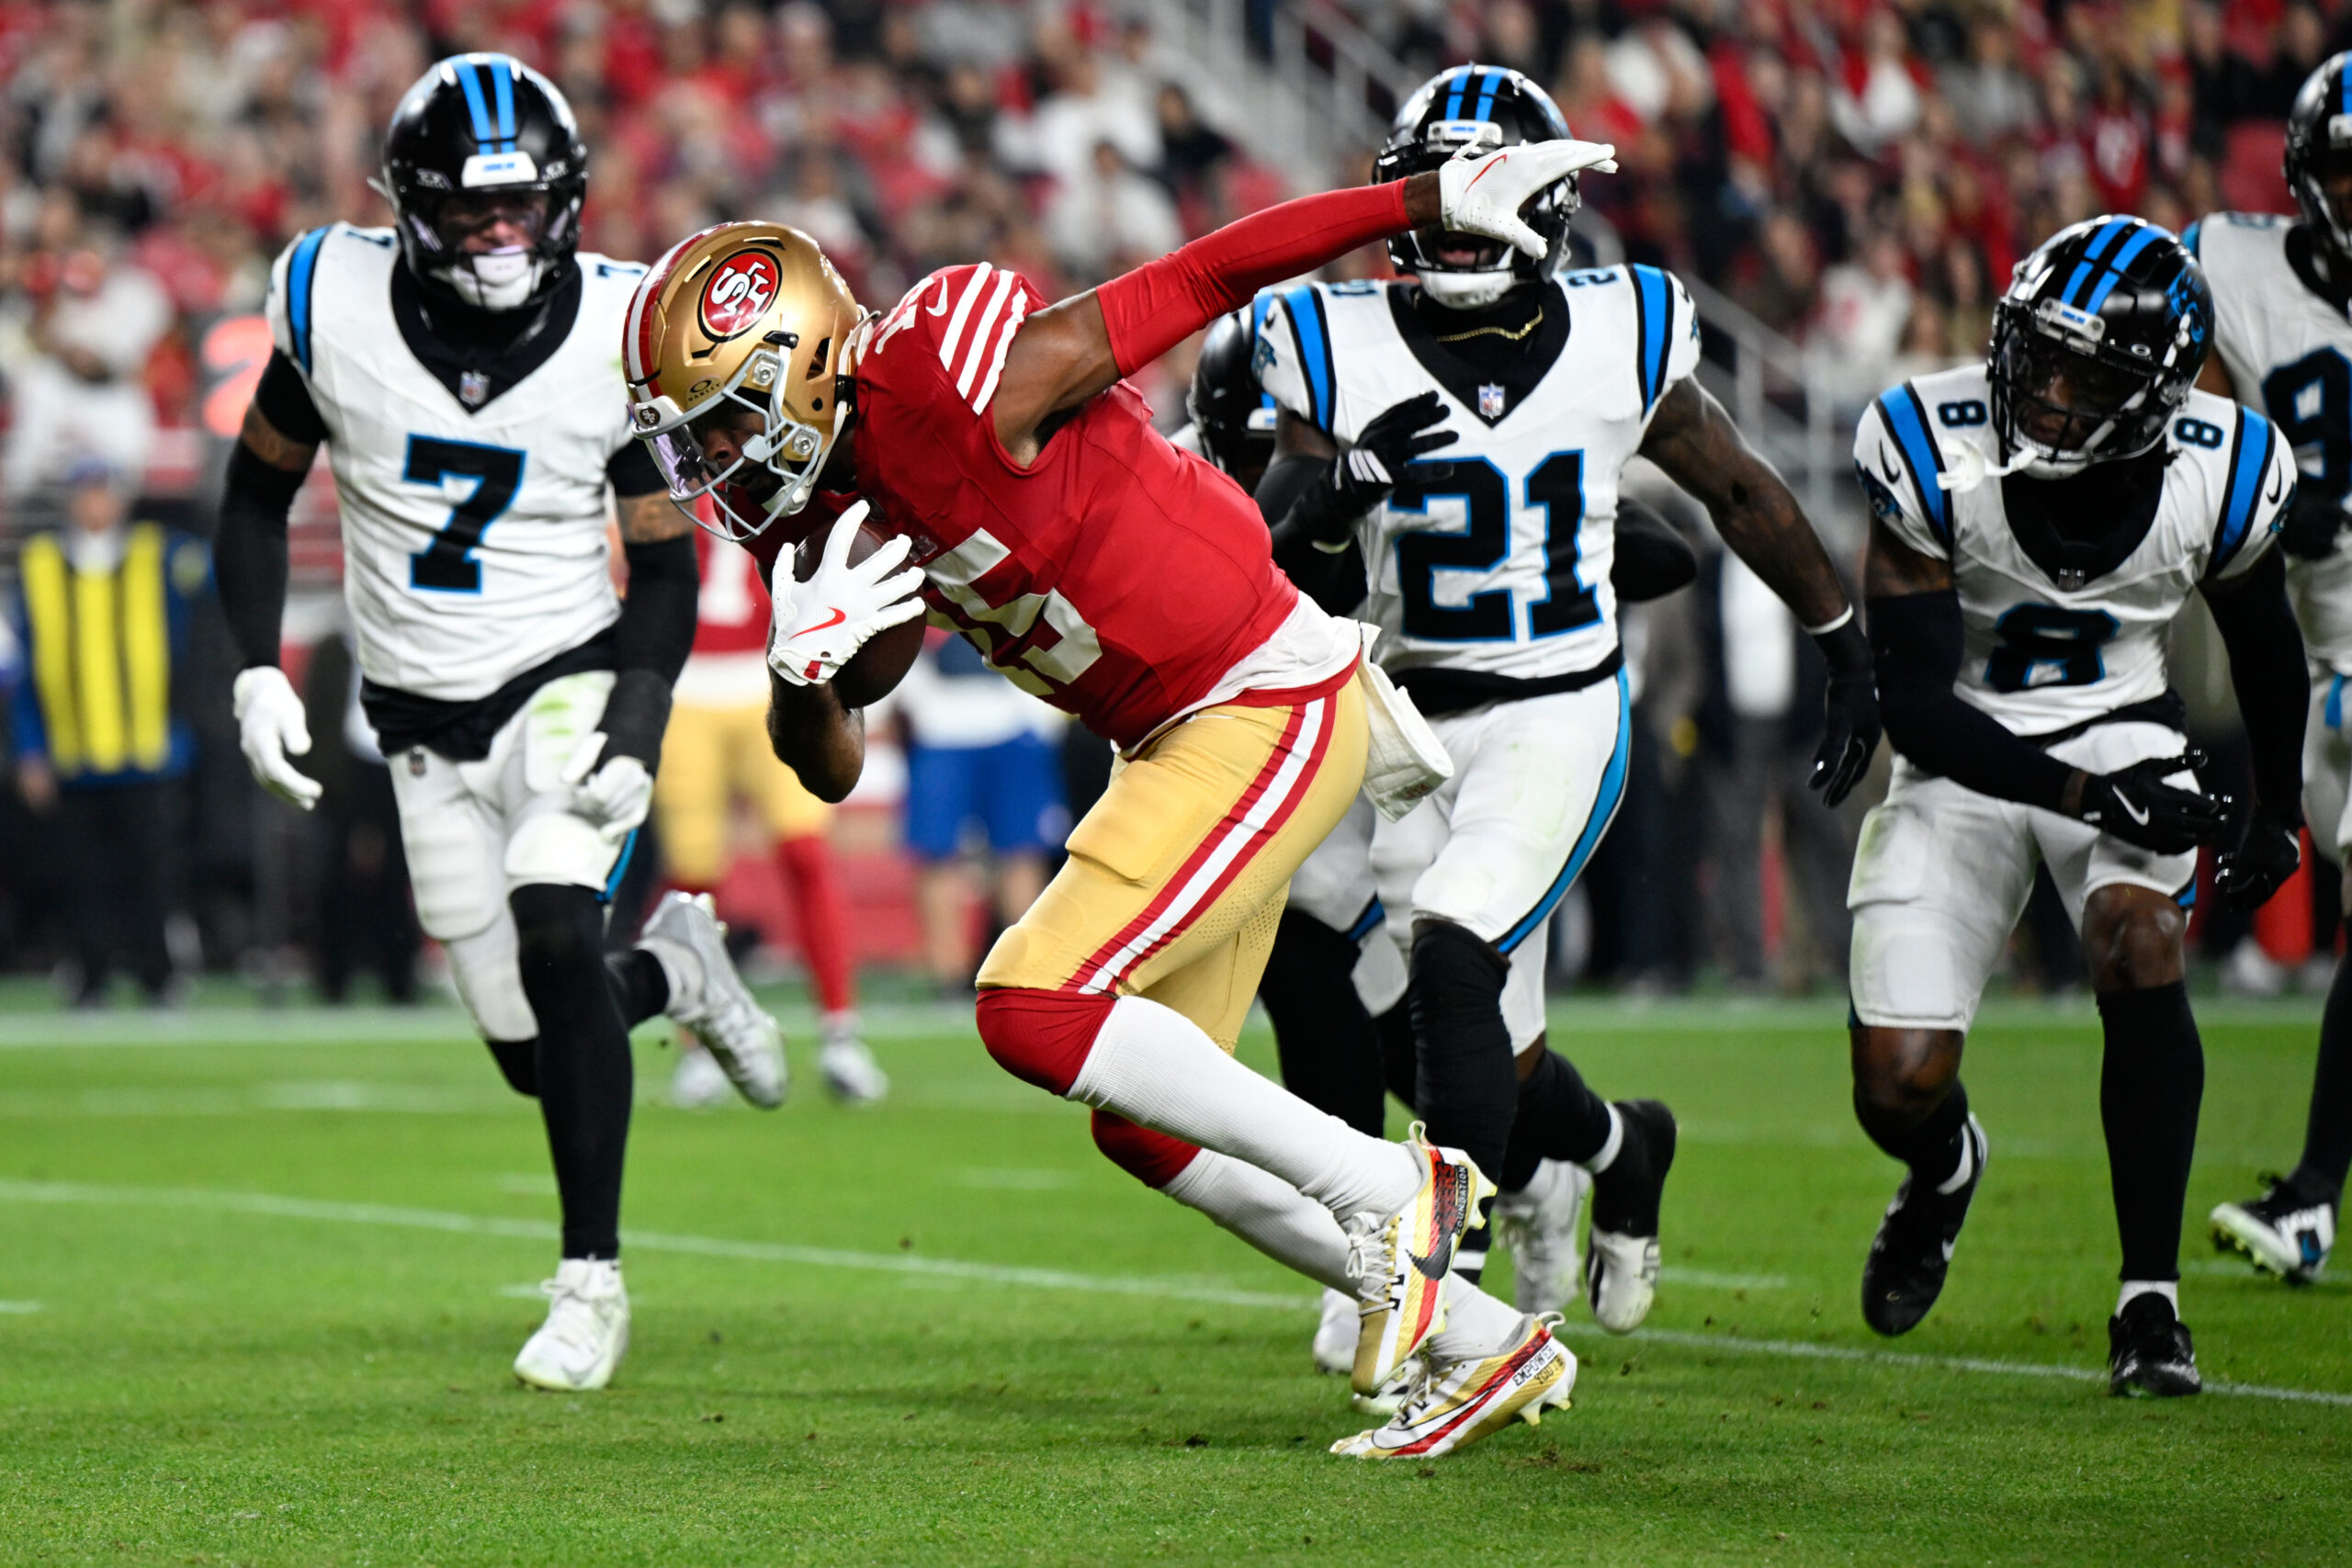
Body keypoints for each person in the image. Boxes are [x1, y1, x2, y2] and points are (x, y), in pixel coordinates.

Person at [622, 134, 1666, 1456]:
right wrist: (798, 672)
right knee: (1143, 1126)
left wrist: (1418, 201)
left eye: (720, 419)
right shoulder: (819, 513)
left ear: (803, 356)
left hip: (1260, 688)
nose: (710, 460)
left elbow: (1206, 270)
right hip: (1175, 735)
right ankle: (1478, 1337)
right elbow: (830, 752)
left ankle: (1397, 1189)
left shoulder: (959, 370)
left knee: (1028, 1002)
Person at [1250, 66, 1878, 1364]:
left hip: (1555, 709)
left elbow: (1741, 492)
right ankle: (1620, 1146)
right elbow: (1266, 571)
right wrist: (1319, 500)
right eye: (1444, 191)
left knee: (1449, 953)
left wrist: (1840, 634)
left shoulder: (1625, 325)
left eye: (1490, 192)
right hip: (1405, 719)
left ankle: (1445, 1296)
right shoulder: (1331, 341)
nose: (1463, 224)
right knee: (1489, 1045)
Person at [210, 55, 783, 1393]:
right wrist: (253, 666)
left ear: (568, 201)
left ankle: (591, 1280)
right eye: (473, 215)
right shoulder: (329, 300)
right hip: (417, 718)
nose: (502, 238)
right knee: (540, 1050)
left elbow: (665, 559)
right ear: (411, 211)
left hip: (562, 677)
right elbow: (252, 496)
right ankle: (679, 970)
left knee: (551, 910)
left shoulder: (622, 329)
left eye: (523, 208)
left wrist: (638, 715)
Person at [1185, 294, 1704, 1397]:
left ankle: (1506, 1217)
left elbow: (1654, 550)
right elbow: (1249, 593)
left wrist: (1515, 560)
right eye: (1258, 439)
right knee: (1337, 1010)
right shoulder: (1207, 485)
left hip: (1397, 763)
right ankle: (1440, 1234)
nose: (1267, 455)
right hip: (1299, 777)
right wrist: (1324, 505)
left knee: (1444, 1041)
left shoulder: (1368, 447)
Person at [1848, 215, 2303, 1396]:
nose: (2040, 387)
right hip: (1966, 745)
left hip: (2124, 728)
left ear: (2151, 395)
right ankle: (1944, 1167)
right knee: (1895, 1083)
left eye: (2080, 372)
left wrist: (2280, 810)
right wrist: (2095, 792)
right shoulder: (1926, 439)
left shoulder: (2225, 463)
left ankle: (2148, 1302)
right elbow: (1916, 706)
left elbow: (2265, 648)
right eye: (2034, 351)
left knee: (2139, 939)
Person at [2192, 53, 2352, 1283]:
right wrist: (2255, 498)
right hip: (2327, 653)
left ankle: (2309, 1197)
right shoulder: (2234, 269)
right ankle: (2308, 1197)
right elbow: (2186, 440)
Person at [657, 525, 888, 1107]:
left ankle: (841, 1032)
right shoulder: (663, 465)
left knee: (806, 853)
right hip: (683, 685)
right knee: (693, 878)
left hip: (774, 679)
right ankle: (699, 1045)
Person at [8, 456, 209, 1006]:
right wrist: (30, 750)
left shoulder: (160, 554)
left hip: (147, 749)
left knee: (152, 876)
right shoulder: (40, 563)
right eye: (85, 492)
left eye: (103, 491)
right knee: (79, 880)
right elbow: (25, 669)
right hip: (71, 752)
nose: (95, 503)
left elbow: (219, 577)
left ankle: (158, 975)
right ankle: (88, 975)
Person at [894, 632, 1067, 996]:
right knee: (938, 855)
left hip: (1012, 713)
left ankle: (1026, 972)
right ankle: (948, 977)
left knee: (1021, 853)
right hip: (938, 719)